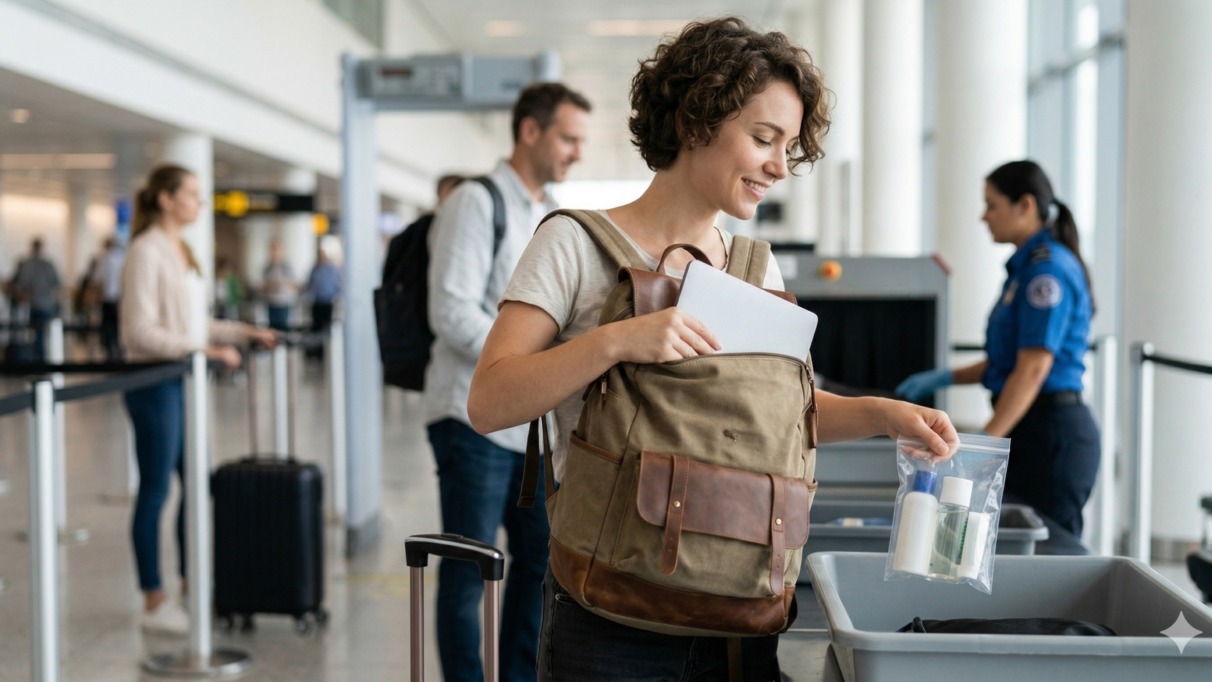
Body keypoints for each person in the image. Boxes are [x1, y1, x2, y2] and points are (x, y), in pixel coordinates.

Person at [467, 17, 957, 680]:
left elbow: (779, 418)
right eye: (763, 138)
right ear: (696, 120)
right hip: (610, 618)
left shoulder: (757, 269)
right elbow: (490, 401)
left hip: (737, 609)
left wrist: (882, 414)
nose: (779, 166)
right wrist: (617, 341)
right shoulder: (574, 245)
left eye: (789, 147)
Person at [425, 81, 591, 682]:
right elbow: (450, 311)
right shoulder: (476, 202)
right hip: (470, 419)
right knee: (468, 569)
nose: (577, 152)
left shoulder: (548, 215)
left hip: (532, 426)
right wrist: (528, 361)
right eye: (568, 138)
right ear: (530, 131)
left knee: (539, 565)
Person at [896, 159, 1099, 539]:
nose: (983, 216)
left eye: (992, 205)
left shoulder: (1046, 273)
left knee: (1047, 552)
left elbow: (1033, 369)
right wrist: (945, 377)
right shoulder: (1026, 269)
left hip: (1052, 436)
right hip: (1031, 427)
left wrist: (988, 439)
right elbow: (1010, 362)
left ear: (1025, 205)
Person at [120, 164, 276, 634]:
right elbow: (139, 331)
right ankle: (153, 599)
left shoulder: (182, 249)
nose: (199, 202)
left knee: (196, 483)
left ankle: (192, 582)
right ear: (165, 199)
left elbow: (194, 323)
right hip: (155, 383)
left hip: (183, 380)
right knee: (156, 490)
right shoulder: (145, 251)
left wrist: (243, 332)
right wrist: (203, 351)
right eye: (190, 193)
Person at [9, 238, 62, 362]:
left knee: (35, 335)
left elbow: (21, 285)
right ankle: (40, 360)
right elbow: (56, 283)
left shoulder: (27, 265)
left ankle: (37, 360)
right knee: (42, 335)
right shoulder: (48, 264)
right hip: (46, 304)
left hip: (32, 304)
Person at [91, 237, 126, 361]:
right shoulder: (123, 258)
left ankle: (111, 354)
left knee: (108, 329)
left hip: (108, 300)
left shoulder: (104, 259)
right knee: (119, 328)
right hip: (121, 300)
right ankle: (119, 353)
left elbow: (96, 280)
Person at [303, 245, 341, 357]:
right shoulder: (314, 269)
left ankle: (326, 353)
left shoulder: (331, 269)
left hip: (327, 303)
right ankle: (317, 353)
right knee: (316, 329)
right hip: (316, 303)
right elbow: (309, 285)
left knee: (326, 329)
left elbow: (337, 285)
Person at [261, 239, 298, 331]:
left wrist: (284, 283)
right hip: (271, 302)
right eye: (273, 250)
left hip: (284, 303)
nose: (275, 253)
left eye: (277, 250)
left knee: (283, 328)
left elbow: (295, 284)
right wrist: (271, 286)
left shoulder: (287, 267)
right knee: (272, 328)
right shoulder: (267, 268)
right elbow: (262, 286)